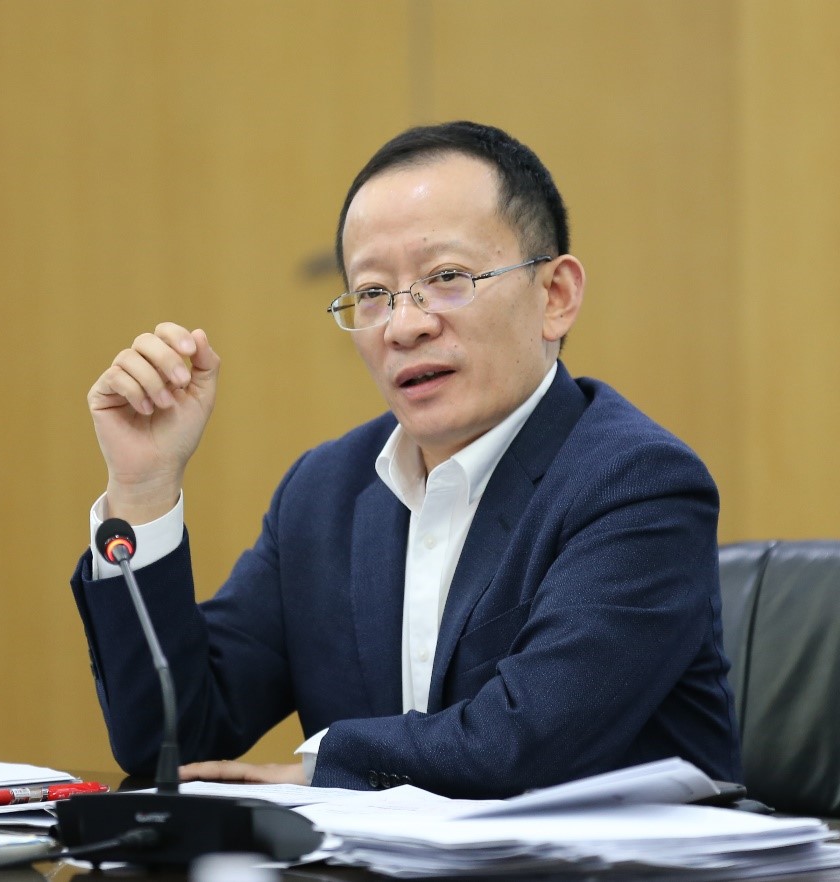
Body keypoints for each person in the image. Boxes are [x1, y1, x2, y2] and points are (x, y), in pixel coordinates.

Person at [71, 121, 742, 798]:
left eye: (447, 278)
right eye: (372, 294)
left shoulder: (636, 483)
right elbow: (171, 736)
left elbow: (526, 744)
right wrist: (143, 487)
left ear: (556, 296)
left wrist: (321, 769)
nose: (404, 325)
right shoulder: (323, 493)